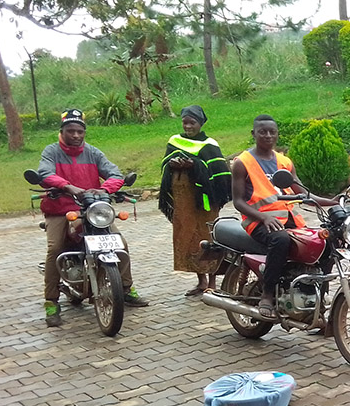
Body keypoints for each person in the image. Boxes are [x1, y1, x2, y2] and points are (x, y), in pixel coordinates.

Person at [37, 109, 149, 327]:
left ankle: (125, 288)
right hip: (61, 209)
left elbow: (115, 174)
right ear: (62, 131)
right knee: (55, 248)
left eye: (80, 131)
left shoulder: (93, 152)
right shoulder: (51, 152)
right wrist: (67, 187)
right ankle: (51, 301)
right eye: (71, 131)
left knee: (120, 243)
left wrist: (104, 189)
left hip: (93, 210)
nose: (76, 135)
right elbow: (44, 174)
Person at [230, 115, 339, 319]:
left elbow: (303, 193)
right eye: (263, 131)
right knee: (280, 240)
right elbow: (238, 201)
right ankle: (267, 294)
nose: (268, 135)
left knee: (325, 242)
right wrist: (263, 218)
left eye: (272, 131)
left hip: (290, 220)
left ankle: (317, 306)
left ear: (277, 134)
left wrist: (332, 201)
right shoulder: (242, 162)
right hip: (258, 221)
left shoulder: (284, 162)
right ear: (253, 134)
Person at [158, 105, 232, 296]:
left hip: (205, 201)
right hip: (184, 199)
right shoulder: (175, 141)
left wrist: (195, 165)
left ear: (200, 123)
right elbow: (166, 163)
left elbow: (219, 173)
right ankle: (201, 281)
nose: (188, 126)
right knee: (189, 236)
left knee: (208, 236)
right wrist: (172, 164)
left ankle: (213, 283)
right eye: (185, 122)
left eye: (193, 123)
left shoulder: (209, 145)